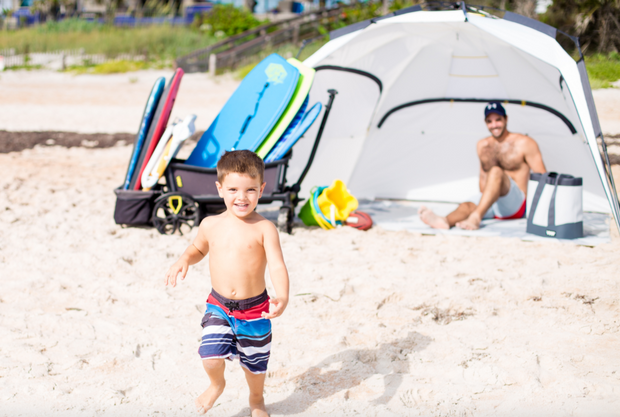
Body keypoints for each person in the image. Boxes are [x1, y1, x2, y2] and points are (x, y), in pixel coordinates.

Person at [164, 150, 290, 417]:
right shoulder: (211, 224)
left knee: (255, 367)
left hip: (256, 309)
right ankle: (216, 384)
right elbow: (197, 248)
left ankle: (256, 401)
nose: (241, 197)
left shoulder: (265, 228)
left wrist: (283, 296)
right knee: (210, 356)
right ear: (220, 188)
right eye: (233, 189)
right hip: (219, 306)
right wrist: (184, 259)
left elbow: (277, 265)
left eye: (250, 190)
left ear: (262, 189)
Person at [420, 102, 546, 230]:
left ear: (506, 119)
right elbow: (483, 177)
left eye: (498, 120)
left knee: (496, 171)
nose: (494, 125)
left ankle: (475, 218)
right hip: (493, 203)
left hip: (516, 205)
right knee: (467, 205)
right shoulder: (482, 145)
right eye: (489, 121)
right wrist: (478, 203)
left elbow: (543, 177)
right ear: (485, 123)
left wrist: (539, 210)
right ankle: (445, 221)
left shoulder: (524, 142)